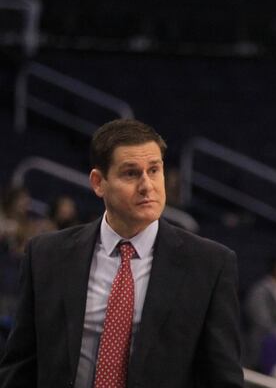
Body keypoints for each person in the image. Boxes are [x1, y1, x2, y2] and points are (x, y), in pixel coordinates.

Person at [0, 119, 244, 387]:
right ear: (98, 183)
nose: (147, 186)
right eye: (131, 173)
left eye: (154, 170)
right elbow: (20, 366)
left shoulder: (210, 265)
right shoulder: (45, 255)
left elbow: (223, 379)